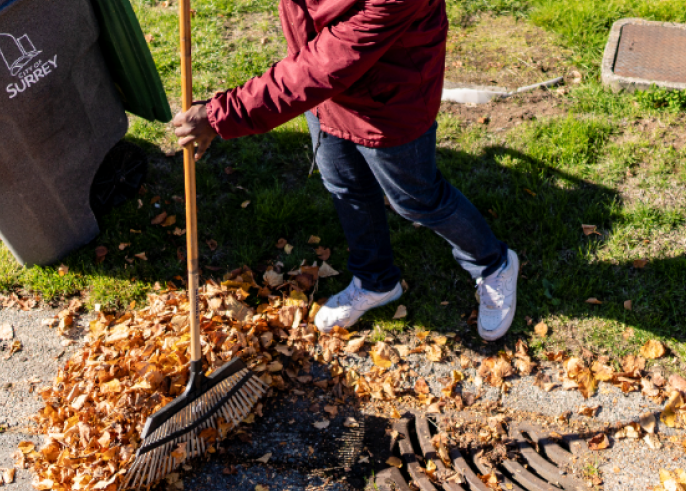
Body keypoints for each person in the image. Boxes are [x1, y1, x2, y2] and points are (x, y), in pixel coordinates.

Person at [171, 0, 518, 341]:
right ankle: (376, 280)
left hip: (390, 99)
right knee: (344, 185)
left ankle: (494, 264)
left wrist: (223, 115)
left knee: (417, 199)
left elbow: (323, 64)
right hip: (322, 92)